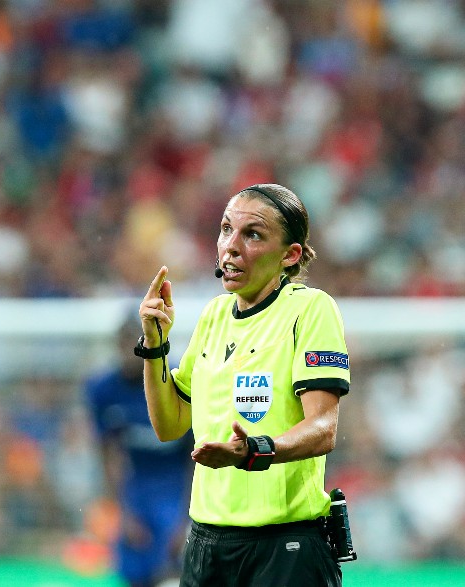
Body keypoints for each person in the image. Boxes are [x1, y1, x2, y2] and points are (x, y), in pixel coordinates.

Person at [136, 184, 349, 587]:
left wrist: (254, 451)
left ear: (290, 255)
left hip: (284, 546)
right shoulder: (214, 316)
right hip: (207, 545)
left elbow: (323, 428)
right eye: (225, 229)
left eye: (252, 234)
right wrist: (154, 344)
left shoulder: (310, 309)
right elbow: (170, 424)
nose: (230, 246)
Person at [85, 314, 194, 587]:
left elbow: (195, 456)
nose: (130, 353)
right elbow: (107, 452)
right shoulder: (103, 389)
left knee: (173, 569)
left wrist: (186, 517)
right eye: (123, 345)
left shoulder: (179, 380)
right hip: (135, 486)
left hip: (174, 485)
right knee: (134, 569)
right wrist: (122, 510)